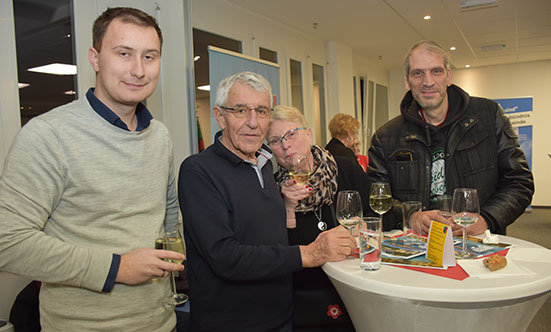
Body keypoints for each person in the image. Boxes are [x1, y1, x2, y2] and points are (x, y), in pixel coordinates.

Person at [0, 7, 185, 331]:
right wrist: (117, 267)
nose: (138, 70)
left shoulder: (160, 136)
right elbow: (7, 243)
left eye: (149, 56)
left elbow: (167, 218)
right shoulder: (48, 135)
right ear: (95, 58)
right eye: (124, 53)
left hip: (161, 322)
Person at [178, 71, 356, 332]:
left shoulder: (263, 166)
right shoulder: (198, 171)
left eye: (261, 111)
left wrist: (287, 210)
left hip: (282, 318)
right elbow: (224, 256)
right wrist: (310, 253)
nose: (253, 122)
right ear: (220, 116)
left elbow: (265, 238)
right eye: (240, 110)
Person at [367, 40, 534, 235]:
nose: (428, 81)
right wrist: (411, 216)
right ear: (407, 80)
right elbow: (377, 198)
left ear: (448, 76)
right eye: (418, 73)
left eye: (436, 71)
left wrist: (486, 219)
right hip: (417, 248)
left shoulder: (488, 116)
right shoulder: (385, 137)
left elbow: (519, 182)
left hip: (478, 244)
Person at [269, 105, 372, 331]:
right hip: (305, 303)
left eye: (291, 134)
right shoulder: (270, 188)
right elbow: (281, 254)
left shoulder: (343, 168)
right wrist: (287, 208)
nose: (285, 145)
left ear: (309, 134)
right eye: (275, 140)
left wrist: (362, 230)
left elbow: (375, 215)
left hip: (354, 291)